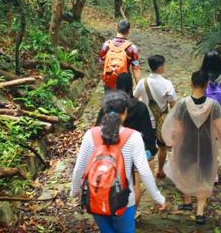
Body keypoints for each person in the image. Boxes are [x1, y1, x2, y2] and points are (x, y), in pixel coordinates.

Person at [71, 91, 167, 233]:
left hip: (96, 195)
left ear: (104, 111)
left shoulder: (90, 135)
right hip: (124, 199)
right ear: (125, 112)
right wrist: (158, 197)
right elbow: (144, 171)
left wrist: (76, 190)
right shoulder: (133, 137)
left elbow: (79, 168)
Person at [161, 70, 221, 225]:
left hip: (186, 145)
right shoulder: (213, 106)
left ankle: (187, 202)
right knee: (203, 176)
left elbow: (175, 127)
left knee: (184, 172)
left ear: (191, 83)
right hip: (207, 146)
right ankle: (199, 212)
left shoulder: (182, 104)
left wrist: (171, 142)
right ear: (206, 85)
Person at [95, 73, 157, 217]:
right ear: (132, 86)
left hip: (111, 149)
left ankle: (110, 208)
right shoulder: (140, 107)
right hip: (133, 149)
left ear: (116, 86)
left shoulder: (108, 106)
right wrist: (150, 150)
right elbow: (148, 132)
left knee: (111, 180)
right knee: (134, 184)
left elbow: (98, 127)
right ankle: (131, 213)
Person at [133, 54, 177, 179]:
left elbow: (135, 98)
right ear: (159, 67)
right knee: (162, 147)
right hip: (162, 122)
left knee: (147, 147)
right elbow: (173, 104)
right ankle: (160, 170)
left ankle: (146, 173)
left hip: (146, 122)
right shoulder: (167, 84)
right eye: (163, 65)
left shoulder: (143, 82)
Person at [99, 20, 141, 90]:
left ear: (117, 29)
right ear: (128, 31)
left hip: (109, 79)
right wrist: (139, 88)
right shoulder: (132, 47)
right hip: (125, 82)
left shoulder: (106, 45)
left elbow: (102, 62)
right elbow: (136, 68)